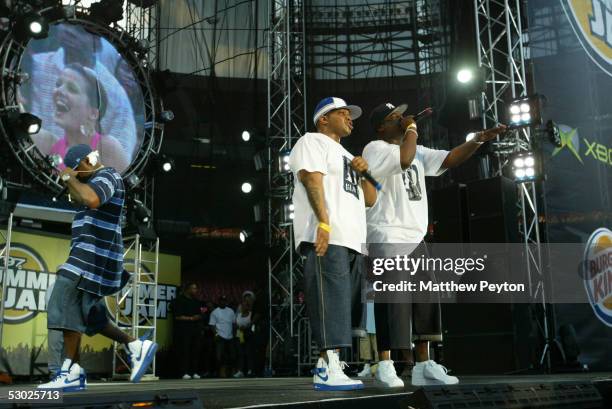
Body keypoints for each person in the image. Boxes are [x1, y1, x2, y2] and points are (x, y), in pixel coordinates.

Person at [362, 102, 507, 387]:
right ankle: (386, 363)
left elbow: (450, 159)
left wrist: (477, 140)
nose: (403, 120)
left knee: (425, 301)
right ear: (382, 127)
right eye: (395, 118)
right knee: (393, 301)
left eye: (403, 117)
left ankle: (424, 365)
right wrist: (412, 129)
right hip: (387, 234)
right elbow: (403, 160)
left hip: (415, 237)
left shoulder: (416, 151)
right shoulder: (375, 149)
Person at [37, 144, 157, 391]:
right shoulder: (92, 181)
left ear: (87, 162)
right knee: (92, 318)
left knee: (63, 297)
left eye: (78, 169)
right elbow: (81, 196)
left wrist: (69, 176)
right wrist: (71, 179)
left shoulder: (108, 175)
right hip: (90, 260)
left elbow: (91, 199)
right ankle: (135, 345)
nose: (76, 174)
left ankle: (69, 372)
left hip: (91, 261)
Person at [289, 97, 377, 391]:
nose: (350, 118)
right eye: (343, 113)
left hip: (353, 239)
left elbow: (371, 198)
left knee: (345, 307)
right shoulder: (311, 141)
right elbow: (311, 180)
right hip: (329, 235)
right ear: (323, 119)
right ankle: (326, 366)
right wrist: (323, 223)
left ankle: (333, 363)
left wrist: (365, 173)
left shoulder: (348, 154)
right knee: (329, 301)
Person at [23, 23, 137, 158]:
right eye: (67, 25)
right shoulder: (36, 66)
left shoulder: (115, 94)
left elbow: (123, 154)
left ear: (97, 43)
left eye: (80, 30)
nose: (70, 32)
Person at [32, 63, 129, 173]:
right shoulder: (49, 145)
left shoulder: (107, 148)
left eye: (72, 89)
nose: (59, 90)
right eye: (58, 84)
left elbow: (126, 188)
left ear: (93, 113)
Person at [173, 282, 203, 380]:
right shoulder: (179, 300)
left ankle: (193, 371)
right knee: (185, 351)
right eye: (193, 288)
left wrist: (198, 316)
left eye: (196, 288)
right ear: (188, 289)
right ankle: (184, 372)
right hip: (184, 330)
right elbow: (177, 316)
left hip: (195, 330)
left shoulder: (196, 301)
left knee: (195, 351)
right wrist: (191, 319)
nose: (195, 290)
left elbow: (199, 314)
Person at [209, 296, 236, 377]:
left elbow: (234, 323)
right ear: (219, 301)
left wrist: (234, 335)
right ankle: (221, 372)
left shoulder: (230, 311)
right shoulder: (215, 312)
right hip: (220, 336)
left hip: (230, 336)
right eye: (221, 301)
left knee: (232, 355)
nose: (223, 302)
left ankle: (231, 371)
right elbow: (212, 325)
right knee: (219, 356)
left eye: (224, 301)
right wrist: (216, 334)